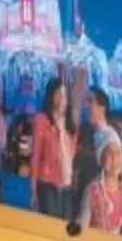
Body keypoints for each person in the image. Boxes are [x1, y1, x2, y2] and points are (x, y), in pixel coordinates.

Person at [29, 78, 77, 221]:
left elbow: (71, 158)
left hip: (67, 185)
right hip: (48, 183)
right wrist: (33, 190)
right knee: (51, 224)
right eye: (59, 95)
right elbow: (35, 156)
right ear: (51, 97)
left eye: (65, 96)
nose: (63, 100)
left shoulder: (70, 128)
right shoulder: (41, 121)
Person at [74, 133, 122, 235]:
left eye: (118, 153)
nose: (114, 158)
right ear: (101, 158)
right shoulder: (92, 190)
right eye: (110, 153)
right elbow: (82, 226)